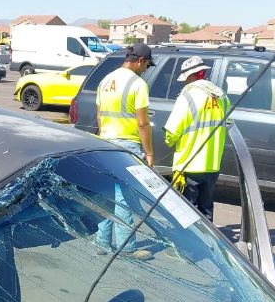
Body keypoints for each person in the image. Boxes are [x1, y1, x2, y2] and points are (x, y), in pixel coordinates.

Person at [95, 42, 156, 257]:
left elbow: (99, 116)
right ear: (140, 60)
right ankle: (126, 247)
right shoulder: (138, 84)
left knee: (106, 194)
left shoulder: (106, 80)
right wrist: (149, 153)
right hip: (127, 146)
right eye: (147, 65)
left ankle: (102, 242)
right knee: (124, 198)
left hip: (104, 144)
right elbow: (142, 123)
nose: (146, 70)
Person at [164, 56, 230, 222]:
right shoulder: (221, 96)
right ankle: (209, 237)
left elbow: (172, 132)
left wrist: (169, 142)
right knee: (206, 209)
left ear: (189, 76)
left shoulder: (187, 96)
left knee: (188, 211)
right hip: (212, 163)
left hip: (190, 163)